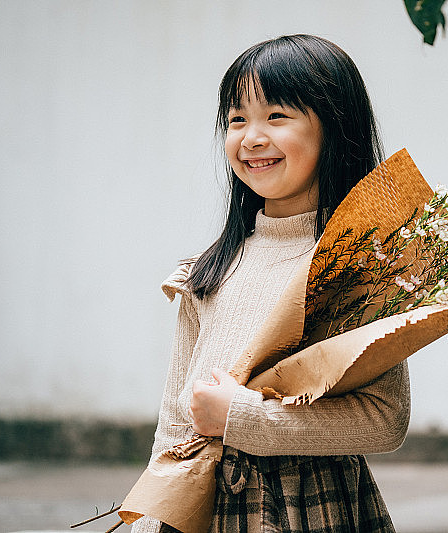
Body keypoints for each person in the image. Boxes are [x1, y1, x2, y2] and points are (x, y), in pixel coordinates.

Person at [132, 34, 410, 533]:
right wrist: (153, 517)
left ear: (335, 127)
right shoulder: (209, 269)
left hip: (314, 504)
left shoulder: (358, 264)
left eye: (277, 116)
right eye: (237, 120)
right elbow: (176, 414)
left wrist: (244, 419)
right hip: (207, 502)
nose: (251, 137)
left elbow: (384, 419)